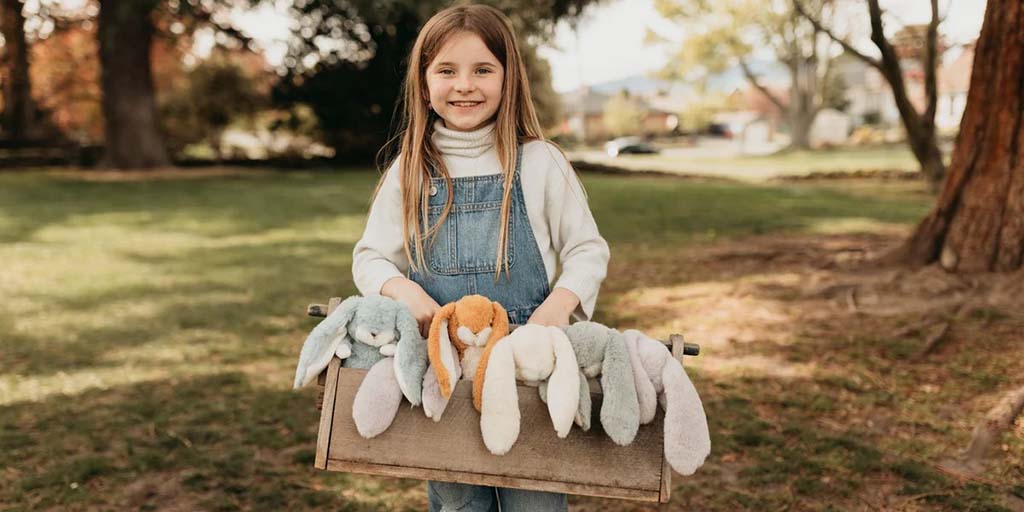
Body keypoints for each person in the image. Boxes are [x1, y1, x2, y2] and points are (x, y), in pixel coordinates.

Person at [351, 4, 610, 511]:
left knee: (532, 504)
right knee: (458, 504)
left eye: (482, 70)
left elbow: (586, 250)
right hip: (443, 372)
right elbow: (370, 258)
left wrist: (558, 308)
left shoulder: (540, 162)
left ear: (508, 78)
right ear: (424, 83)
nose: (464, 85)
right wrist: (405, 290)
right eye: (446, 70)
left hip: (529, 366)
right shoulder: (410, 170)